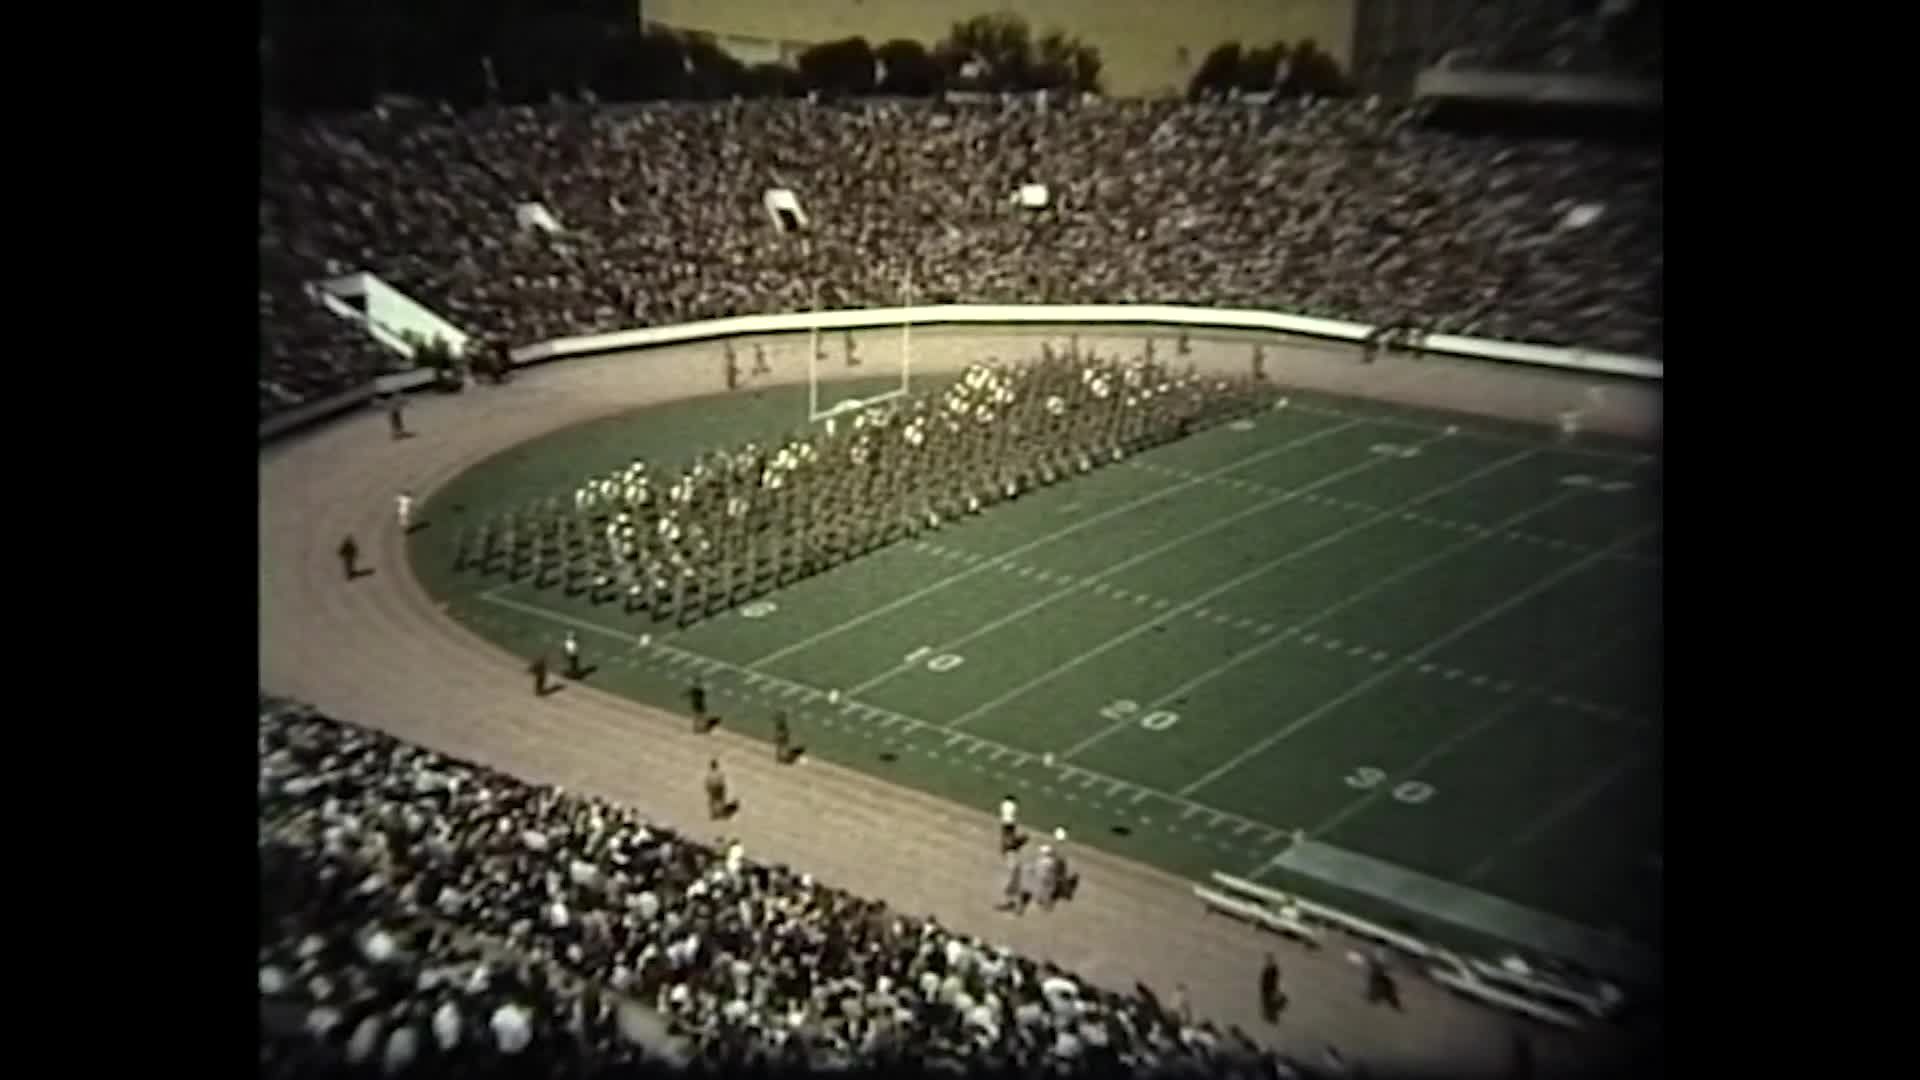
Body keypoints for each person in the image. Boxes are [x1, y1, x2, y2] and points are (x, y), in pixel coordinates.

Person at [1259, 954, 1284, 1023]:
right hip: (1267, 989)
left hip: (1269, 989)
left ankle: (1271, 1018)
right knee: (1267, 1002)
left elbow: (1273, 980)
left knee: (1269, 1002)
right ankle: (1270, 1017)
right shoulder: (1268, 970)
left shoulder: (1273, 970)